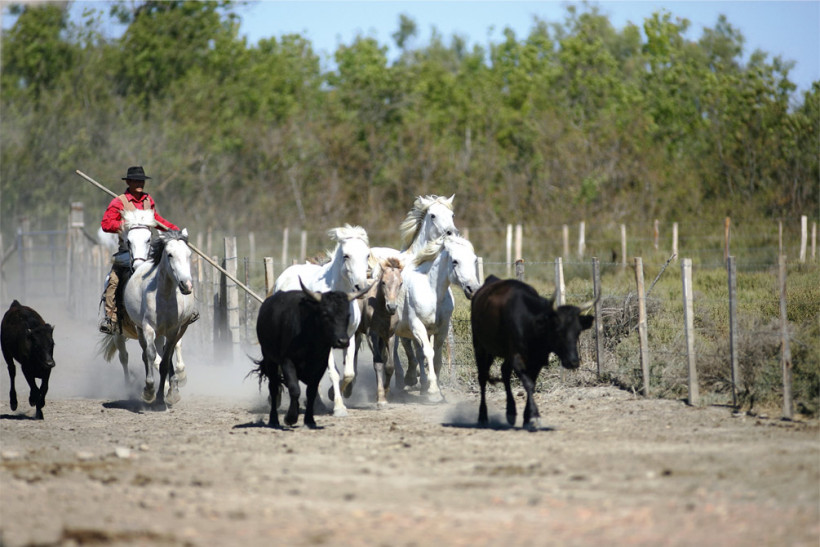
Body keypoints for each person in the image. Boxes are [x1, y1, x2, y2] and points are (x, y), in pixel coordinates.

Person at [99, 166, 179, 334]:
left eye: (141, 180)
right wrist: (124, 225)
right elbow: (106, 224)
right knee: (113, 280)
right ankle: (111, 318)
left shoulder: (148, 200)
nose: (139, 183)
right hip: (126, 252)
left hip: (148, 251)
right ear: (128, 182)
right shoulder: (119, 202)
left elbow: (156, 220)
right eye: (135, 180)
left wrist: (173, 230)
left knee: (172, 268)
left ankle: (182, 310)